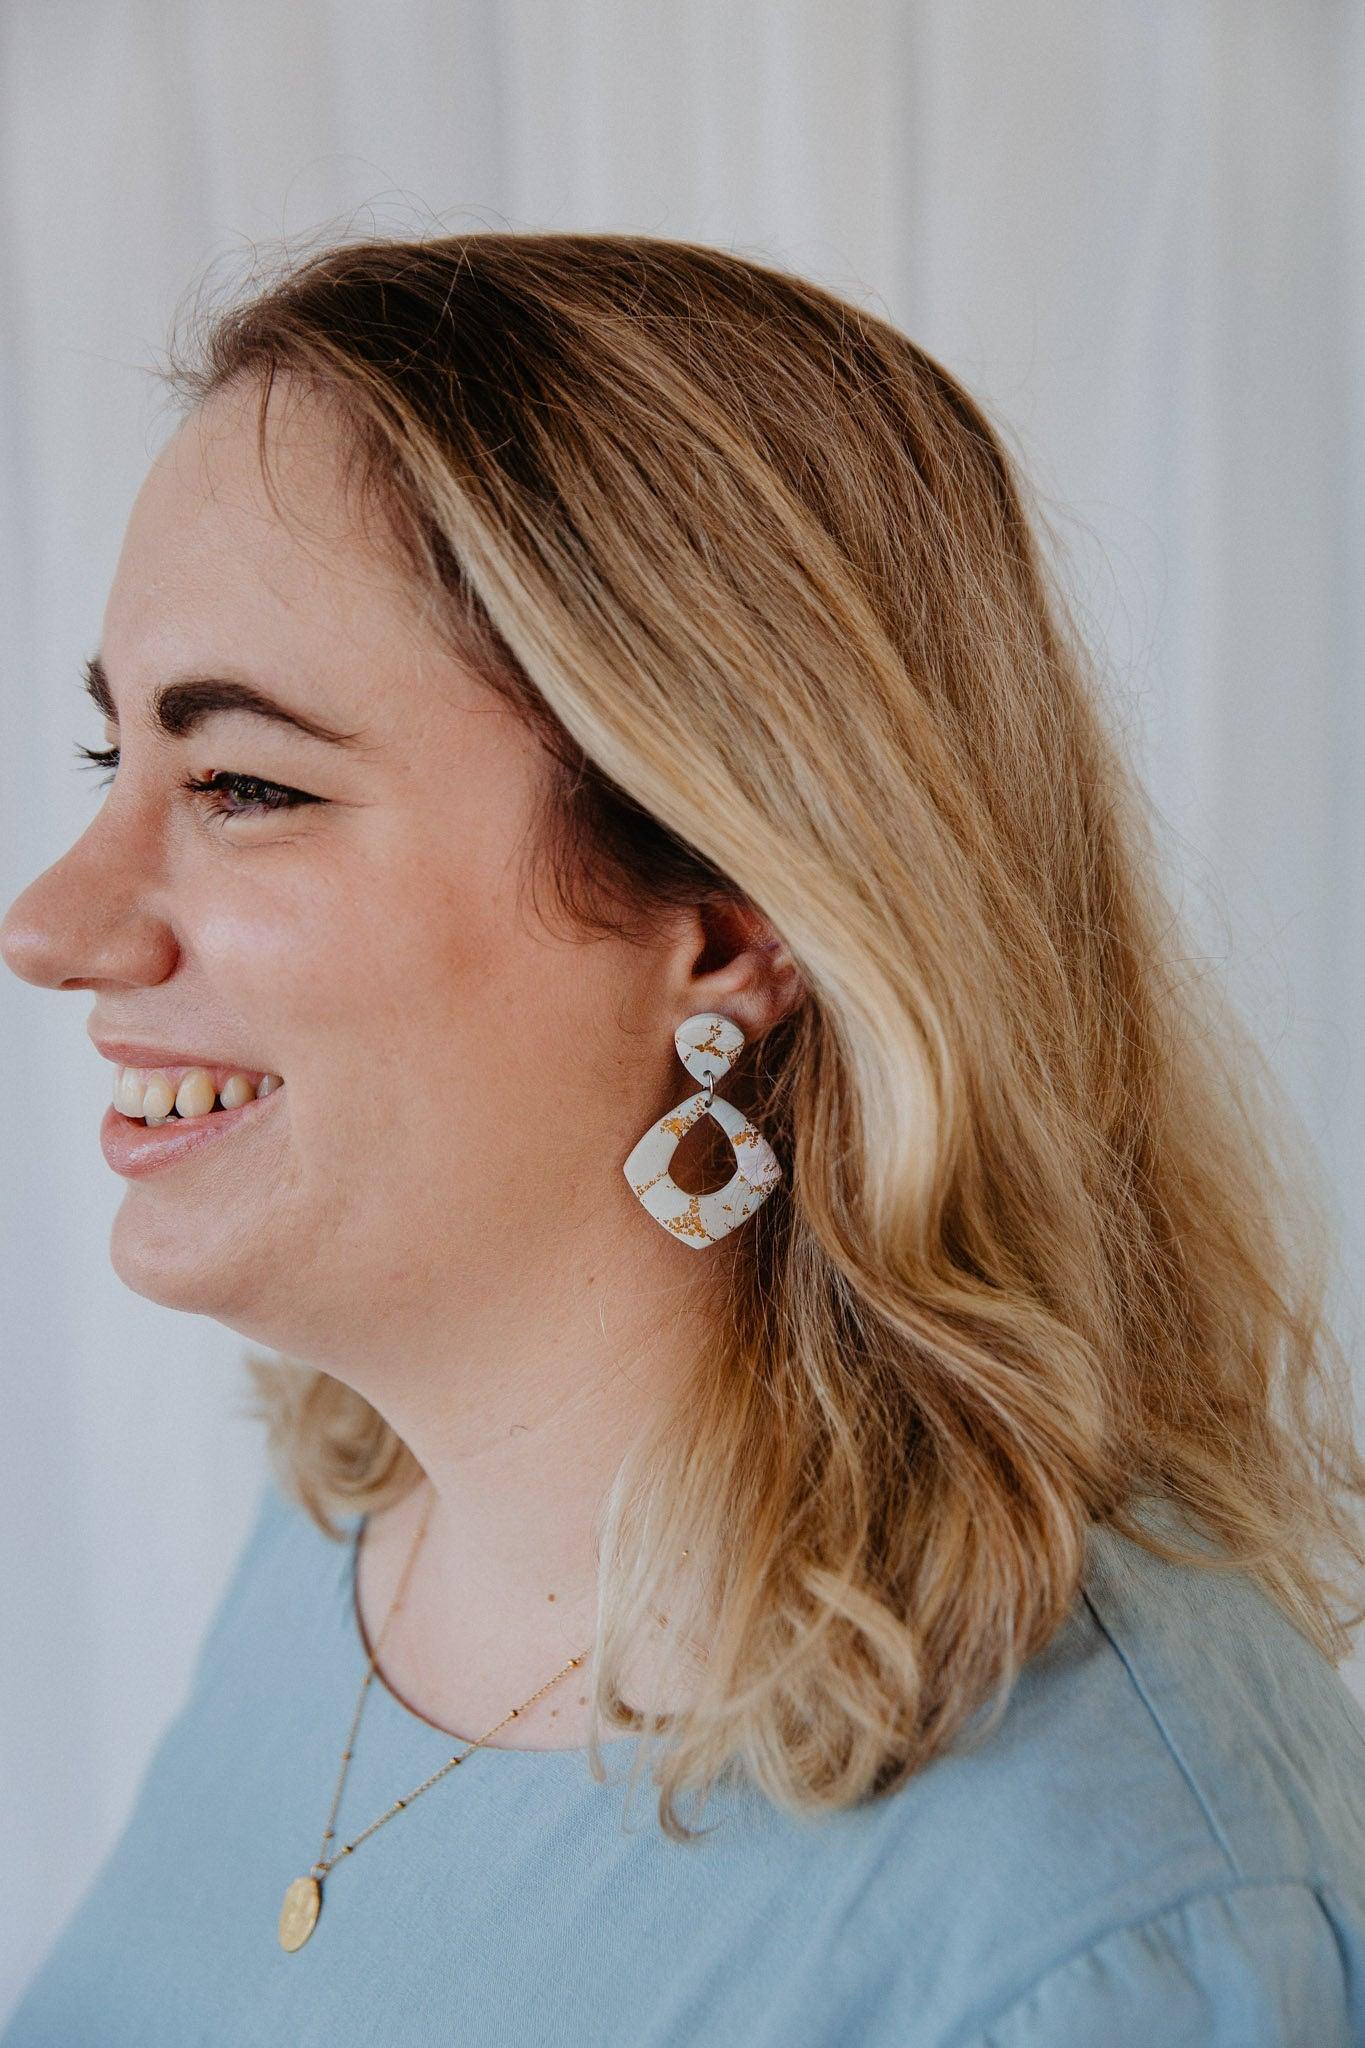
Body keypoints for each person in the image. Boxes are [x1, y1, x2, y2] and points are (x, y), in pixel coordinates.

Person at [1, 230, 1362, 2047]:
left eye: (246, 784)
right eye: (120, 769)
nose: (55, 924)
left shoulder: (1098, 1930)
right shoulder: (355, 1518)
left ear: (728, 919)